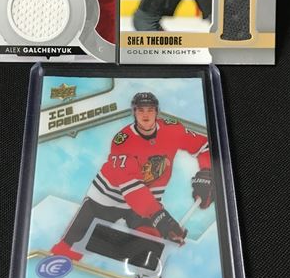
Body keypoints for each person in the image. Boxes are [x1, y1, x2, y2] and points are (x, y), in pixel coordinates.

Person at [51, 92, 214, 263]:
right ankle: (63, 259)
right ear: (134, 113)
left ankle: (143, 266)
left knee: (151, 248)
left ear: (157, 112)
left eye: (150, 110)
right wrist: (161, 218)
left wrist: (207, 173)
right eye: (140, 110)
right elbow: (133, 190)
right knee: (70, 246)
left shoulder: (173, 130)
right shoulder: (123, 142)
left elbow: (205, 146)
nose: (145, 115)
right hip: (108, 198)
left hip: (148, 201)